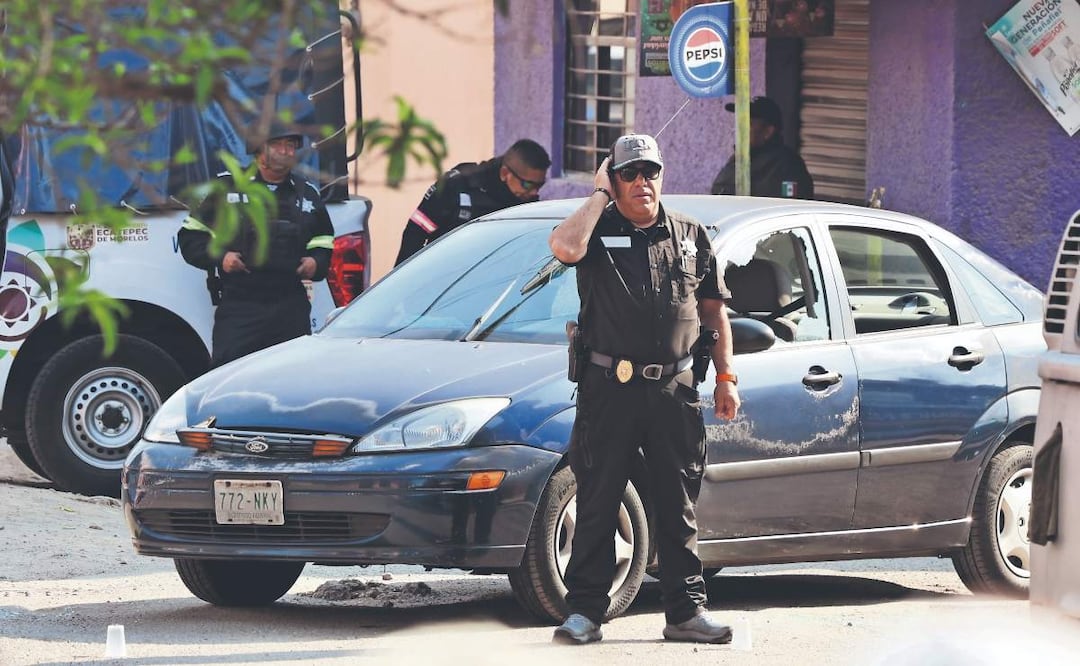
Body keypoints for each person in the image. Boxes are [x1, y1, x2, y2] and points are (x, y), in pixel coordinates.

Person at [548, 133, 741, 645]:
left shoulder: (689, 233)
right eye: (629, 174)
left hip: (673, 389)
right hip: (609, 387)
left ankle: (685, 613)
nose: (641, 182)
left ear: (662, 176)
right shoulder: (595, 229)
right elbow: (564, 248)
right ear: (613, 181)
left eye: (649, 172)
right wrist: (596, 197)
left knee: (678, 504)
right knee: (598, 497)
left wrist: (725, 376)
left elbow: (713, 311)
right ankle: (586, 612)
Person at [178, 122, 335, 368]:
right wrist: (222, 258)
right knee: (229, 379)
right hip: (241, 307)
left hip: (290, 307)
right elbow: (190, 238)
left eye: (291, 146)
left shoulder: (307, 194)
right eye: (278, 145)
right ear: (258, 150)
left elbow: (324, 241)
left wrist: (316, 262)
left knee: (292, 378)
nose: (286, 151)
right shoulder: (227, 189)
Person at [394, 139, 551, 265]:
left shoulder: (526, 203)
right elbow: (415, 234)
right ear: (505, 174)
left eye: (539, 185)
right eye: (527, 184)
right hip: (442, 278)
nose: (534, 192)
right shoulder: (456, 186)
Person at [710, 95, 814, 199]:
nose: (737, 130)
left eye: (747, 124)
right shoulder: (739, 160)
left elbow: (791, 208)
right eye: (738, 123)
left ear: (768, 132)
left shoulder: (788, 165)